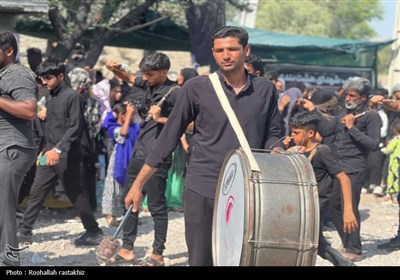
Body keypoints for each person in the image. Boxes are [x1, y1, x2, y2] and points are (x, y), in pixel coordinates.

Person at [123, 26, 284, 266]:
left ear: (246, 50)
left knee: (242, 257)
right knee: (200, 259)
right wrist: (138, 184)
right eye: (219, 50)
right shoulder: (197, 88)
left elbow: (273, 134)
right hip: (203, 186)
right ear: (213, 53)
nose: (226, 55)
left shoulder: (265, 89)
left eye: (232, 49)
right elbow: (168, 136)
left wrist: (279, 152)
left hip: (247, 188)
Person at [17, 60, 103, 247]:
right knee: (36, 191)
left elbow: (76, 127)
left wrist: (58, 149)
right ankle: (24, 232)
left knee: (76, 193)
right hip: (49, 151)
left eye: (48, 77)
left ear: (61, 76)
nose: (44, 81)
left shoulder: (73, 97)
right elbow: (51, 125)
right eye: (42, 78)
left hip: (68, 154)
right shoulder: (49, 97)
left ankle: (94, 231)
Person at [105, 52, 179, 266]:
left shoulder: (176, 93)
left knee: (156, 206)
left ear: (164, 72)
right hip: (139, 153)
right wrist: (115, 69)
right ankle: (127, 248)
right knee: (128, 200)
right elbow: (129, 78)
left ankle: (158, 253)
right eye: (144, 74)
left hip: (158, 157)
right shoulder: (147, 84)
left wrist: (161, 118)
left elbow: (192, 125)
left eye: (150, 74)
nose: (145, 78)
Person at [301, 77, 381, 262]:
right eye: (347, 94)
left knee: (348, 207)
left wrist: (352, 128)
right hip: (338, 166)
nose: (348, 98)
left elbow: (374, 144)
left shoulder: (371, 116)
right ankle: (347, 241)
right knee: (335, 206)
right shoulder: (344, 111)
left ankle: (355, 248)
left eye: (353, 95)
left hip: (354, 168)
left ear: (363, 97)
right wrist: (313, 112)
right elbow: (328, 130)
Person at [288, 111, 357, 266]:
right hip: (304, 204)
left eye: (296, 133)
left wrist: (348, 210)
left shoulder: (322, 151)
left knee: (311, 241)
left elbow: (344, 179)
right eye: (291, 132)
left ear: (310, 133)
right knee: (315, 242)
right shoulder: (299, 151)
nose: (292, 136)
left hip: (317, 204)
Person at [0, 31, 38, 266]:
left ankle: (10, 262)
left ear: (9, 50)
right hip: (5, 146)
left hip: (13, 147)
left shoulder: (17, 74)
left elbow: (29, 110)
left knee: (3, 206)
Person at [102, 102, 140, 225]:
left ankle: (129, 214)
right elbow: (122, 134)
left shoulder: (134, 127)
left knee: (129, 188)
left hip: (131, 161)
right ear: (121, 116)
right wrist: (128, 114)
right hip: (116, 164)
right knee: (113, 190)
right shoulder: (112, 127)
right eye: (127, 115)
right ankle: (110, 216)